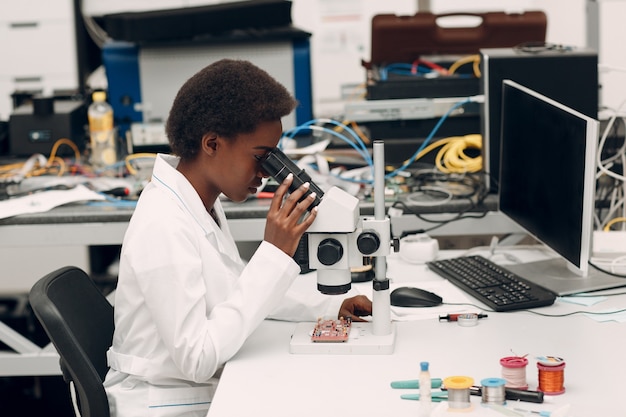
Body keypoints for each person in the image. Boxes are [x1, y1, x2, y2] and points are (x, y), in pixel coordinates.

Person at [103, 59, 372, 417]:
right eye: (261, 156)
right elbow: (196, 359)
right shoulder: (162, 223)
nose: (265, 172)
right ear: (212, 143)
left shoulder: (200, 203)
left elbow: (234, 291)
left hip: (194, 389)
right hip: (164, 403)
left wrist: (326, 307)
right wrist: (274, 253)